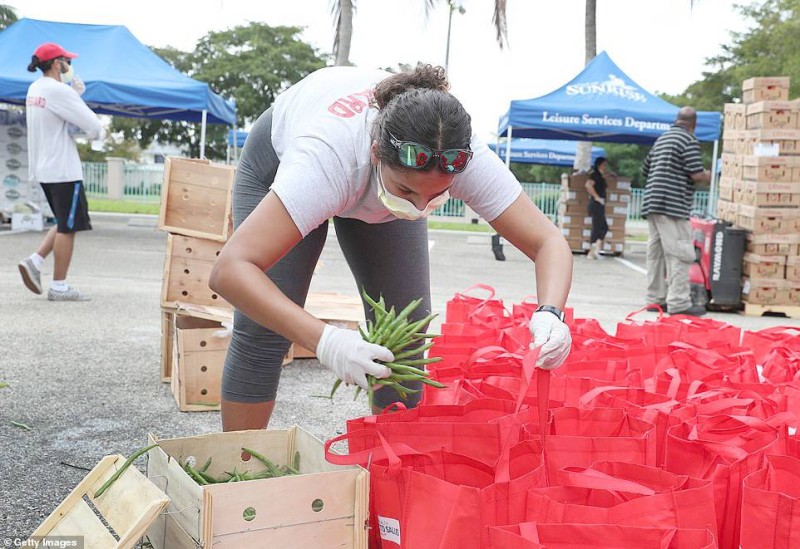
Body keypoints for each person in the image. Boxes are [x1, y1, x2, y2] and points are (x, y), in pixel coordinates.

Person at [209, 65, 574, 432]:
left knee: (405, 337)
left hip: (364, 181)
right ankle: (238, 472)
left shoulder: (458, 154)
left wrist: (551, 312)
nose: (419, 208)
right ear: (375, 153)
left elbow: (548, 241)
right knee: (263, 331)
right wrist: (325, 340)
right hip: (278, 161)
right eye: (406, 191)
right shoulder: (327, 160)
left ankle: (387, 464)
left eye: (436, 195)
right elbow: (230, 270)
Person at [19, 42, 102, 301]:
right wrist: (97, 133)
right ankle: (59, 286)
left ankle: (35, 260)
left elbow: (59, 114)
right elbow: (91, 124)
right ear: (58, 63)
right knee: (68, 226)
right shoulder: (57, 91)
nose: (69, 65)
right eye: (67, 60)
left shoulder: (36, 88)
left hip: (45, 168)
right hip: (64, 169)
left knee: (63, 220)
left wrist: (72, 94)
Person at [641, 107, 710, 316]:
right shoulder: (688, 140)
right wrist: (708, 175)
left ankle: (655, 299)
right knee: (680, 252)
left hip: (652, 204)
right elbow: (696, 174)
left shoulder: (662, 139)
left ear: (677, 120)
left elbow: (645, 169)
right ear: (693, 125)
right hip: (673, 206)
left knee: (656, 255)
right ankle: (679, 302)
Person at [585, 156, 609, 260]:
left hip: (600, 204)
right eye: (604, 165)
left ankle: (596, 249)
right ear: (600, 164)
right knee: (598, 227)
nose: (605, 167)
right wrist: (597, 197)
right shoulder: (595, 175)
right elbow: (588, 185)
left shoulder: (600, 175)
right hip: (596, 204)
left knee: (602, 227)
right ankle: (592, 251)